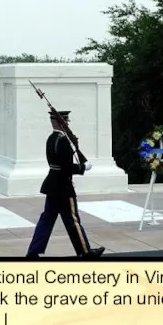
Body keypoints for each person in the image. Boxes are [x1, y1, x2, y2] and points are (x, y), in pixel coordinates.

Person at [26, 110, 105, 259]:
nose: (67, 124)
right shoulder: (62, 141)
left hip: (52, 185)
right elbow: (66, 167)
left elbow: (57, 164)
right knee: (73, 220)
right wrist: (83, 167)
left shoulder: (51, 138)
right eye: (65, 121)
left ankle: (33, 252)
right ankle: (85, 252)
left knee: (47, 219)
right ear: (60, 122)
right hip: (64, 187)